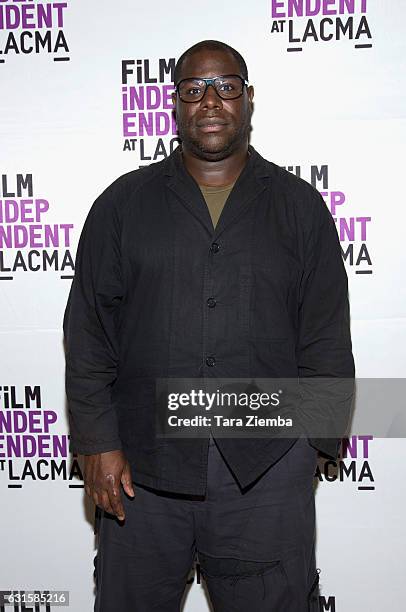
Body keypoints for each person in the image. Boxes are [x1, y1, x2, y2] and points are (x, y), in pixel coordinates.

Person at [63, 39, 355, 611]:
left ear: (248, 98)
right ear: (175, 105)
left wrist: (308, 452)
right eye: (194, 90)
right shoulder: (122, 205)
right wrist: (97, 444)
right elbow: (90, 333)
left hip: (265, 472)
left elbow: (324, 335)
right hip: (140, 477)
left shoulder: (299, 208)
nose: (211, 102)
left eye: (226, 86)